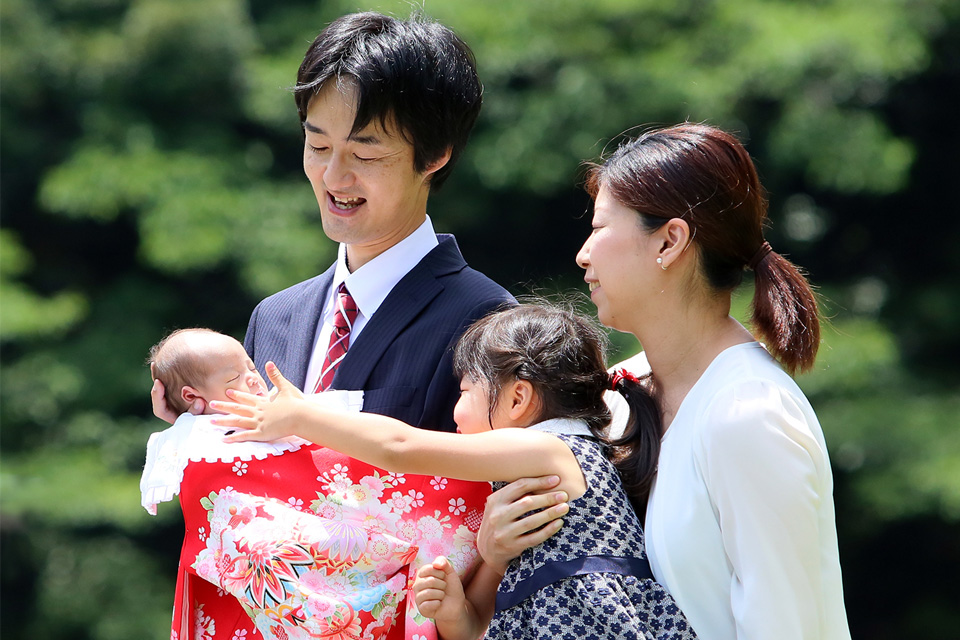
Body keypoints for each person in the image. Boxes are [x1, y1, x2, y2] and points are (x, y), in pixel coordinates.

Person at [147, 11, 513, 639]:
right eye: (318, 146)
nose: (334, 177)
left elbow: (494, 527)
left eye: (365, 152)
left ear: (436, 156)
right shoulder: (275, 317)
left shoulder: (487, 322)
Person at [486, 123, 850, 640]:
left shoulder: (749, 413)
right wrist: (502, 549)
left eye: (599, 228)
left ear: (669, 241)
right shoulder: (617, 396)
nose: (582, 255)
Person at [211, 303, 700, 640]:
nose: (455, 413)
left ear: (517, 398)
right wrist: (457, 611)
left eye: (464, 393)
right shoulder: (544, 464)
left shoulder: (550, 449)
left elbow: (401, 447)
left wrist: (303, 417)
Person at [141, 329, 488, 640]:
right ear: (191, 395)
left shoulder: (284, 405)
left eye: (251, 367)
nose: (252, 380)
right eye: (235, 377)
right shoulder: (191, 441)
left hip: (340, 525)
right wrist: (191, 425)